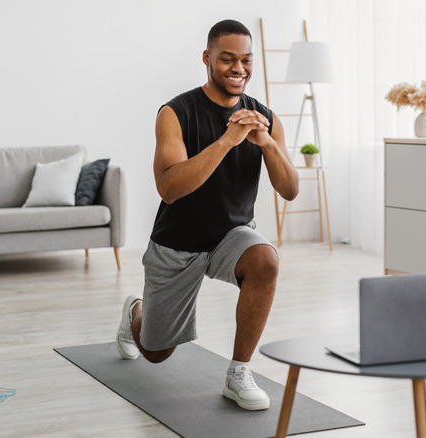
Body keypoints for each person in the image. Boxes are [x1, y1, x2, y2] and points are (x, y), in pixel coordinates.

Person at [115, 19, 299, 411]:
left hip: (232, 236)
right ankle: (136, 313)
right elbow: (170, 187)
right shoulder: (175, 112)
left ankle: (238, 373)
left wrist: (265, 143)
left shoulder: (264, 117)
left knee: (265, 260)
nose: (239, 69)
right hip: (177, 242)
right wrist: (227, 140)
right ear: (207, 59)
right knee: (156, 352)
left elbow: (290, 190)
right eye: (227, 59)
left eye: (246, 60)